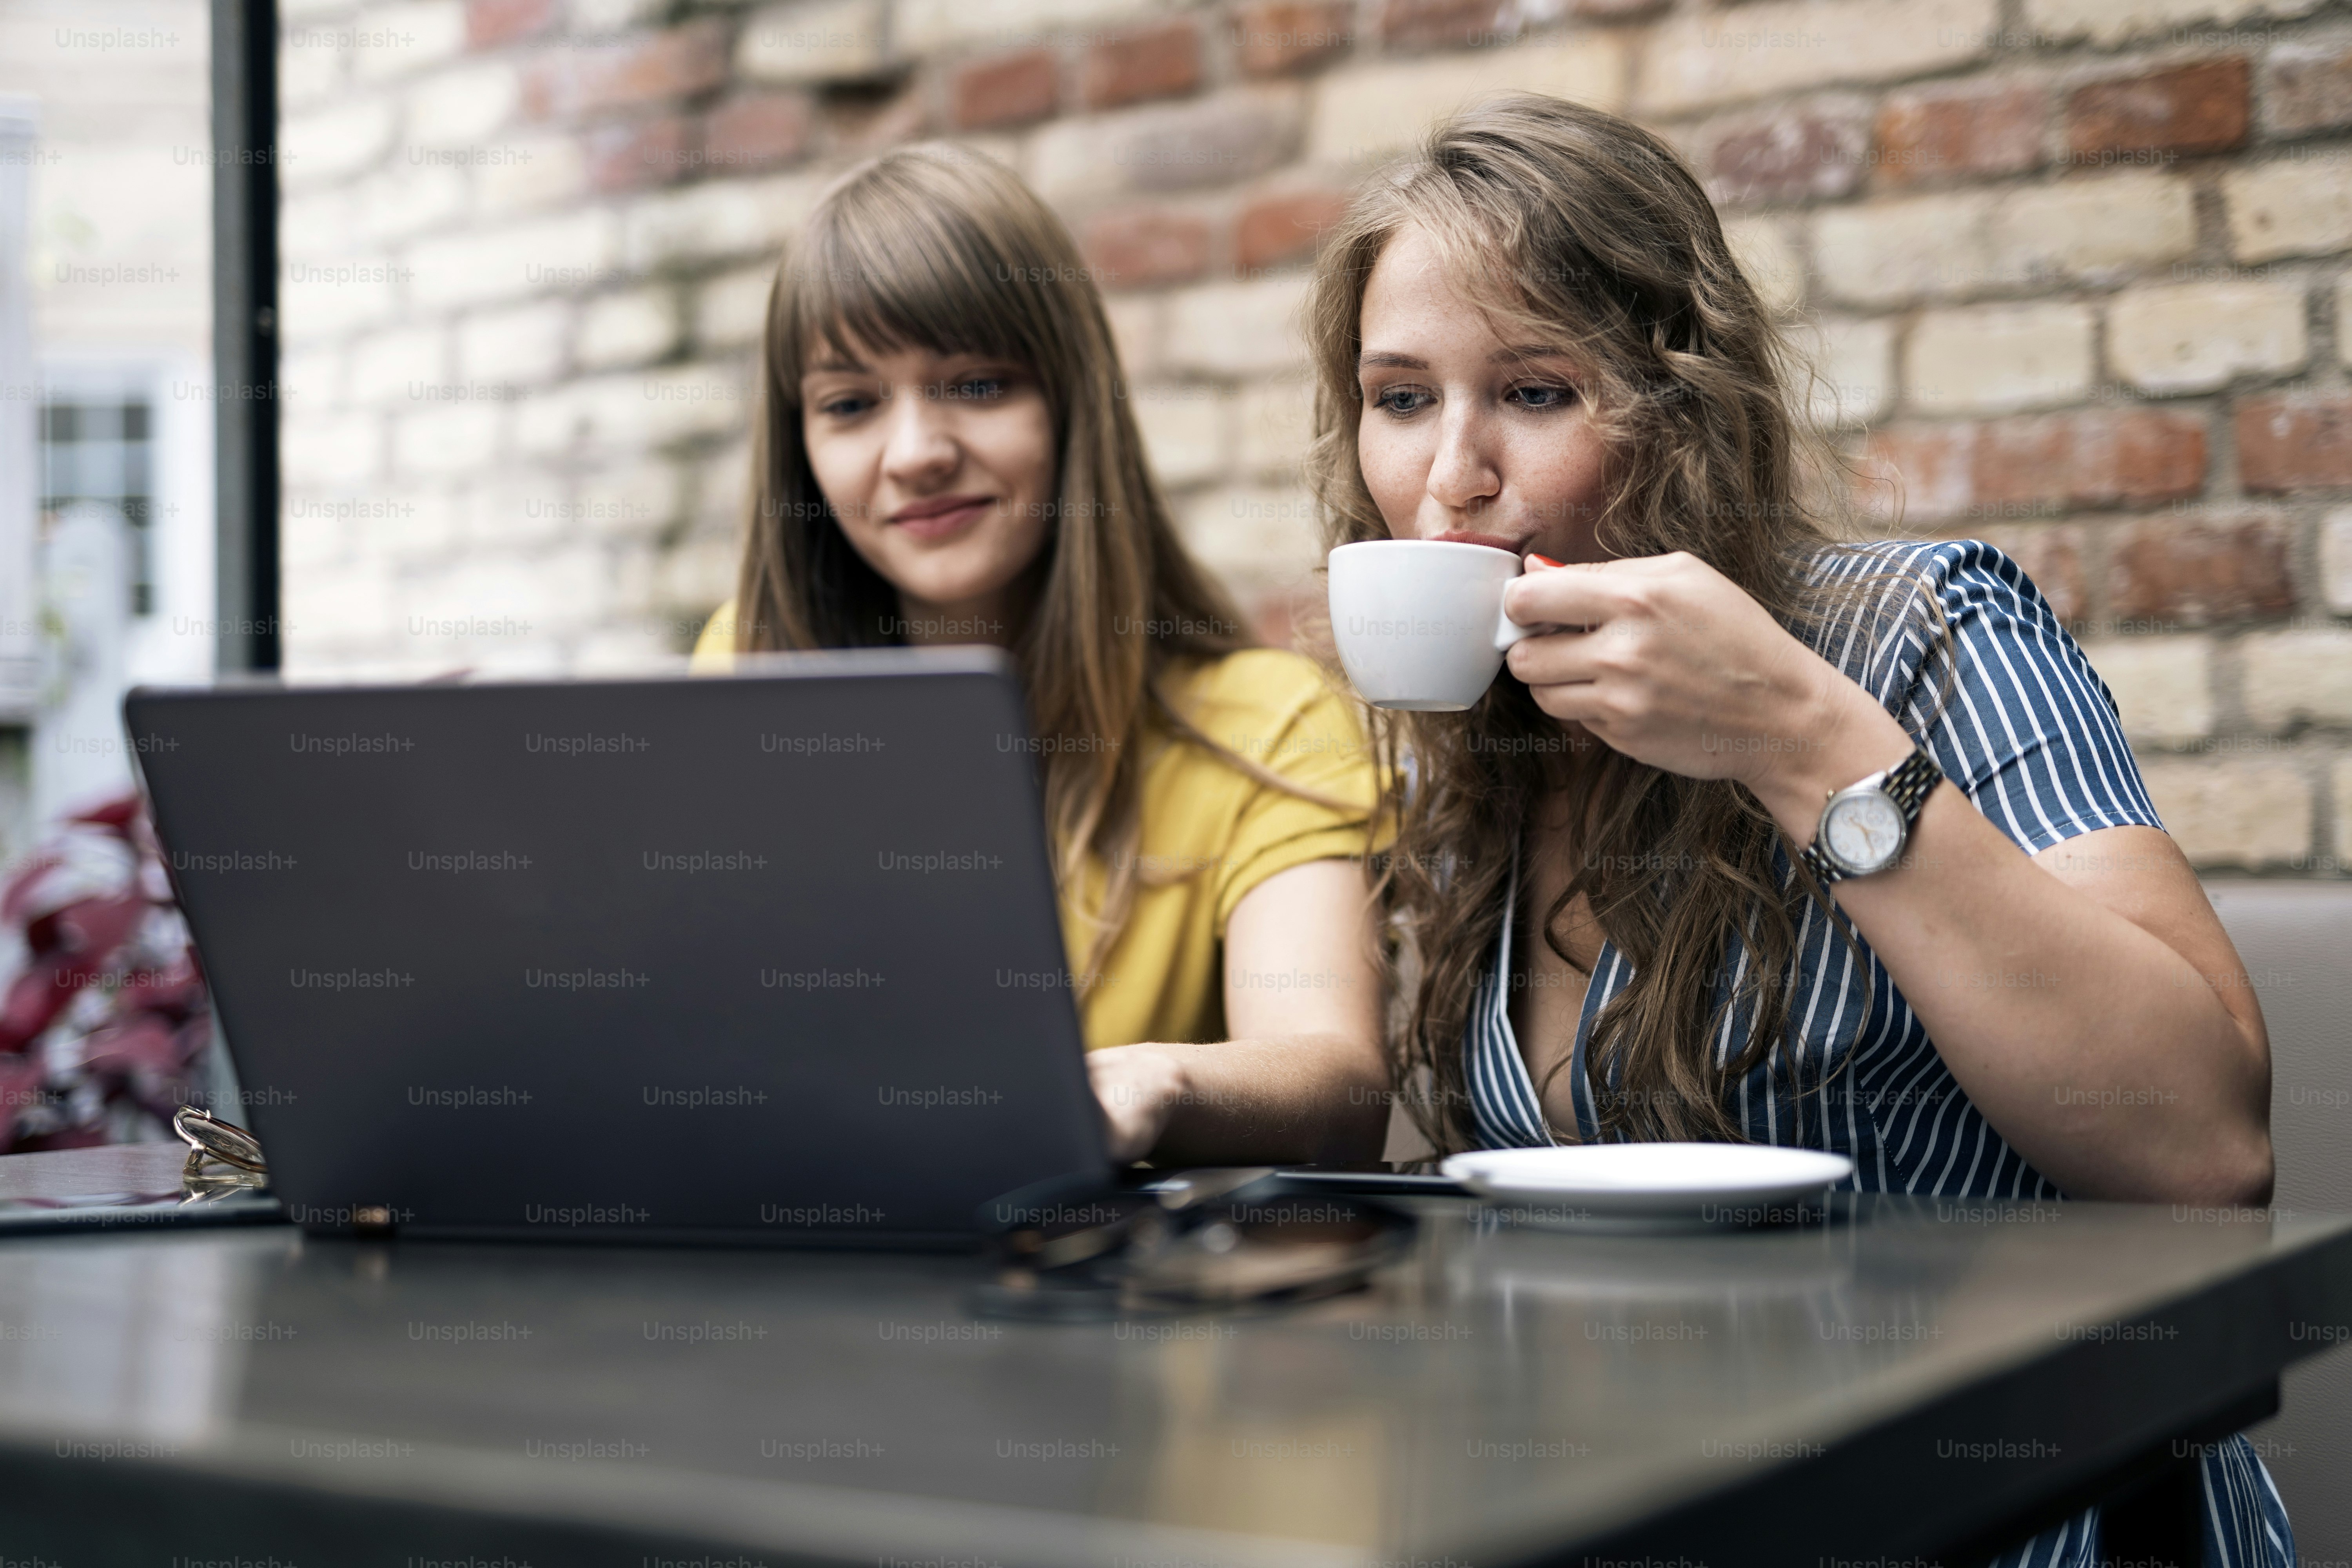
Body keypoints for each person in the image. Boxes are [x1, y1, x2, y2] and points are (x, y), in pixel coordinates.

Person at [1302, 93, 2288, 1566]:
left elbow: (2201, 1147)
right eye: (1400, 400)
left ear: (1681, 405)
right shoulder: (1479, 760)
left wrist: (1794, 735)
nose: (1451, 477)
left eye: (1536, 391)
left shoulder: (1912, 635)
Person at [692, 143, 1388, 1168]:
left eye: (975, 384)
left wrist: (1150, 1082)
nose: (916, 451)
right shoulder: (744, 669)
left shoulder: (1267, 724)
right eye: (850, 404)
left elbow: (1338, 1083)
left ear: (1071, 407)